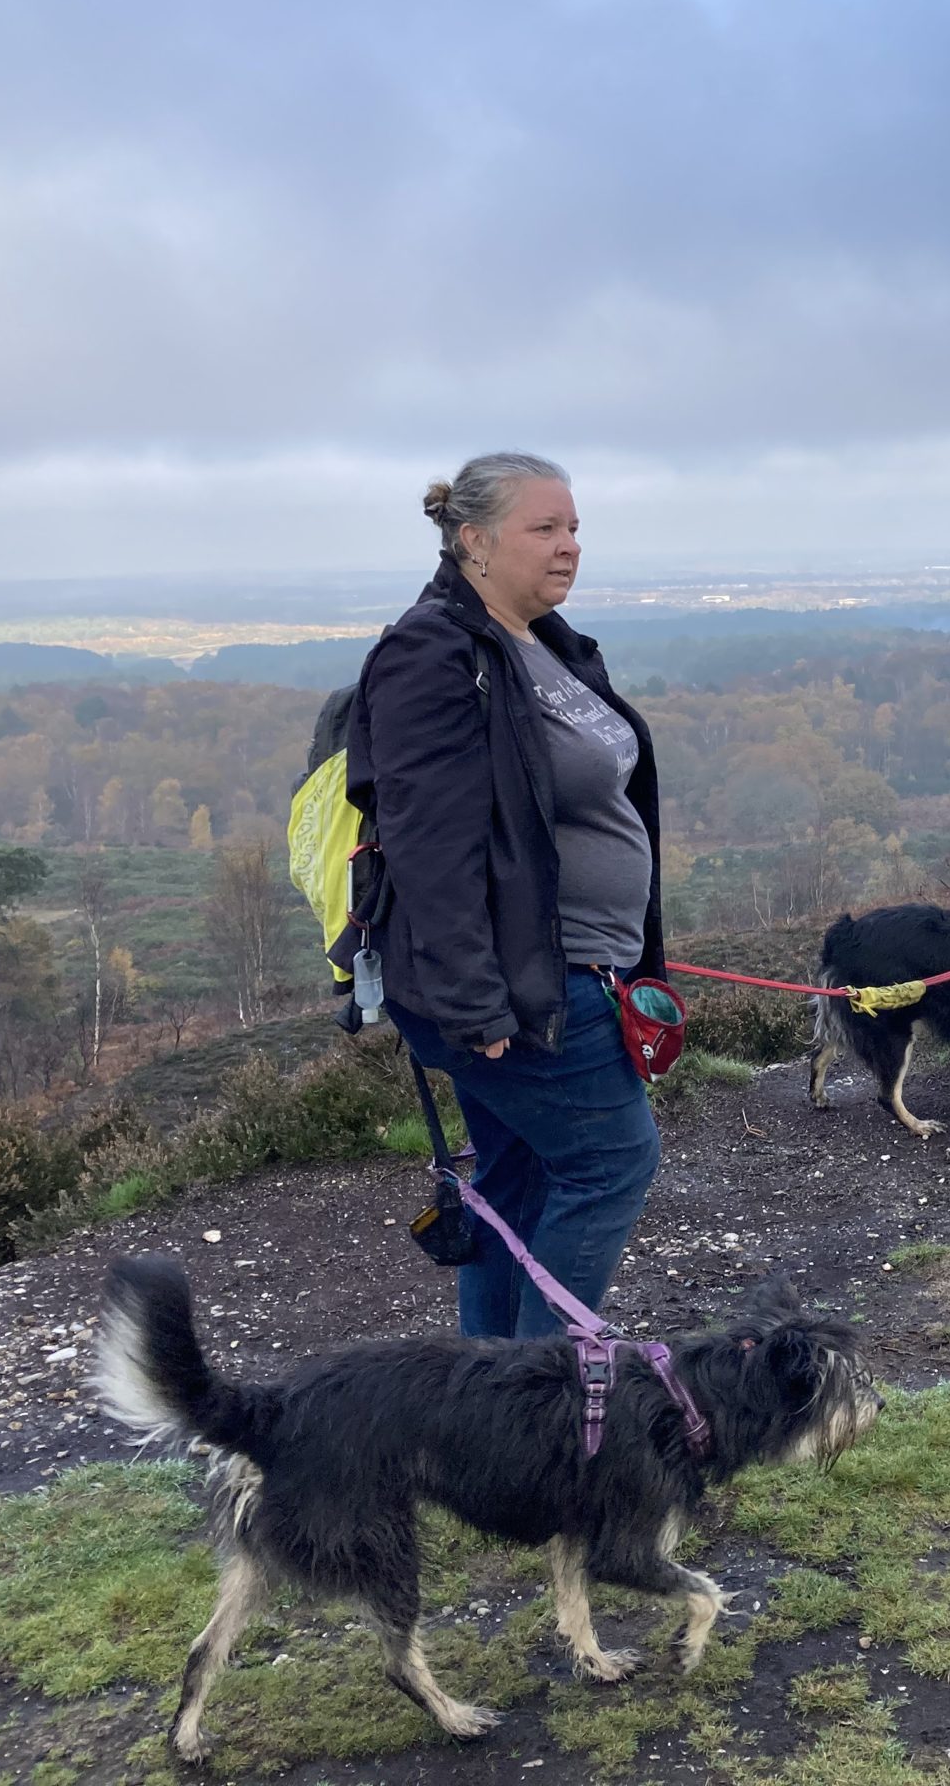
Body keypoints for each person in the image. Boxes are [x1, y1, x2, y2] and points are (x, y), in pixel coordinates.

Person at [345, 451, 667, 1337]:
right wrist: (475, 1004)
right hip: (522, 987)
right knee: (612, 1162)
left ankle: (486, 1402)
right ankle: (541, 1403)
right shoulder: (433, 653)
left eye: (574, 529)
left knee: (519, 1179)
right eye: (545, 528)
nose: (568, 548)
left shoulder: (538, 642)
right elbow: (426, 846)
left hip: (565, 971)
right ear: (474, 540)